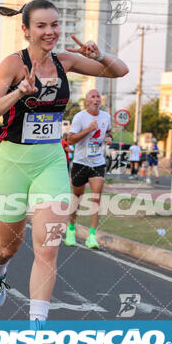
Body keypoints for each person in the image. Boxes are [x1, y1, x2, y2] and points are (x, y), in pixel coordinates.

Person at [0, 0, 128, 344]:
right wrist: (18, 92)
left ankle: (36, 335)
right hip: (12, 161)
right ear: (26, 30)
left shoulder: (67, 61)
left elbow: (118, 71)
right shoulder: (13, 64)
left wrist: (101, 53)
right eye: (42, 26)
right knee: (8, 246)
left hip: (50, 162)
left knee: (47, 247)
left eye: (55, 25)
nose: (50, 32)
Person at [64, 89, 112, 250]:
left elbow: (109, 131)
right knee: (77, 198)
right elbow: (70, 139)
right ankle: (71, 228)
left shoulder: (106, 116)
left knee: (97, 197)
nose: (96, 99)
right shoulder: (80, 117)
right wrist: (88, 130)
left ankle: (92, 236)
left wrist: (109, 137)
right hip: (80, 163)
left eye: (98, 96)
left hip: (97, 162)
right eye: (93, 96)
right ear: (87, 101)